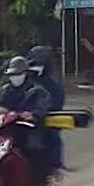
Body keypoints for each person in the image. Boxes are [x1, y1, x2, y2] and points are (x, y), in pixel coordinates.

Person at [0, 56, 54, 183]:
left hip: (28, 128)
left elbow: (43, 107)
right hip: (6, 128)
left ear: (25, 73)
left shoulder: (38, 91)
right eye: (12, 74)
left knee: (33, 147)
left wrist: (33, 115)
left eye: (18, 74)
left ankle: (38, 180)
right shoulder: (3, 91)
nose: (14, 77)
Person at [27, 45, 66, 175]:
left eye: (40, 63)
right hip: (21, 118)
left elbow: (56, 105)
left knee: (52, 136)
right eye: (34, 63)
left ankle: (54, 168)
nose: (36, 67)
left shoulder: (53, 85)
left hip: (43, 120)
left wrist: (39, 113)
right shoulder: (25, 80)